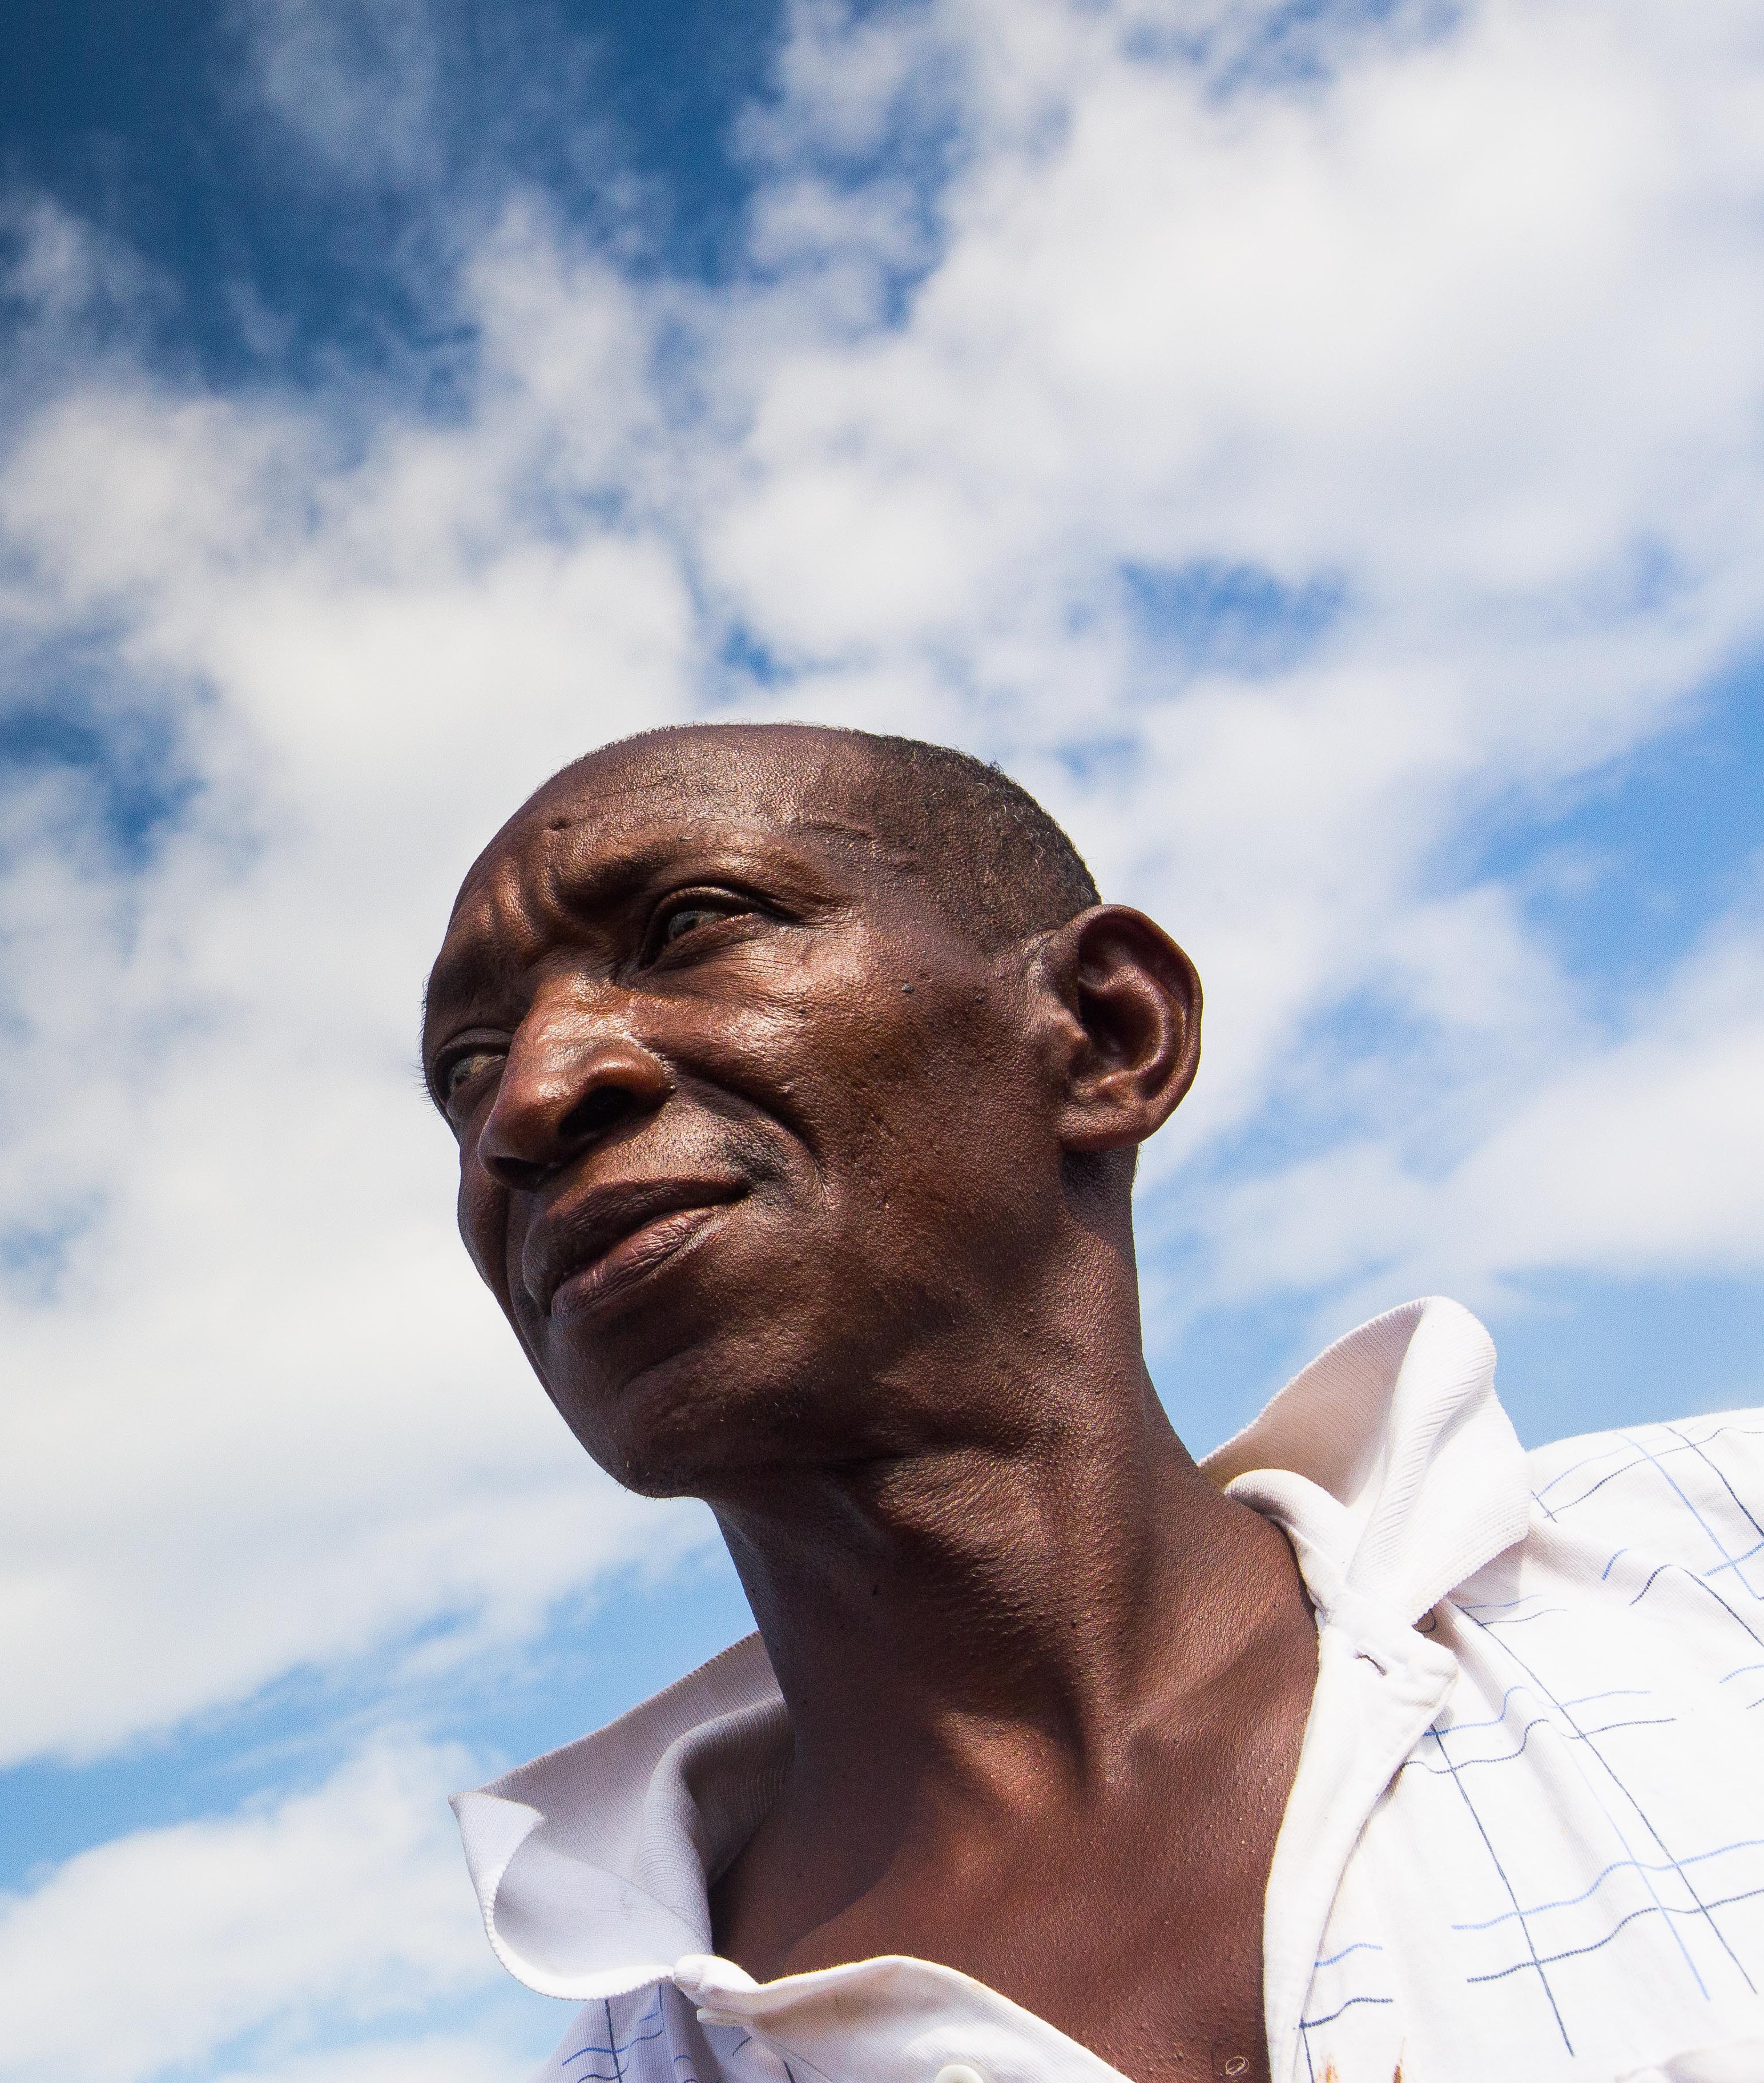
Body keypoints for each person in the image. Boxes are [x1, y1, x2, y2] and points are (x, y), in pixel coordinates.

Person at [424, 724, 1764, 2083]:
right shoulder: (647, 2057)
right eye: (467, 1071)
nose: (527, 1102)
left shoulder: (1721, 1573)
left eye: (690, 926)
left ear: (1108, 1035)